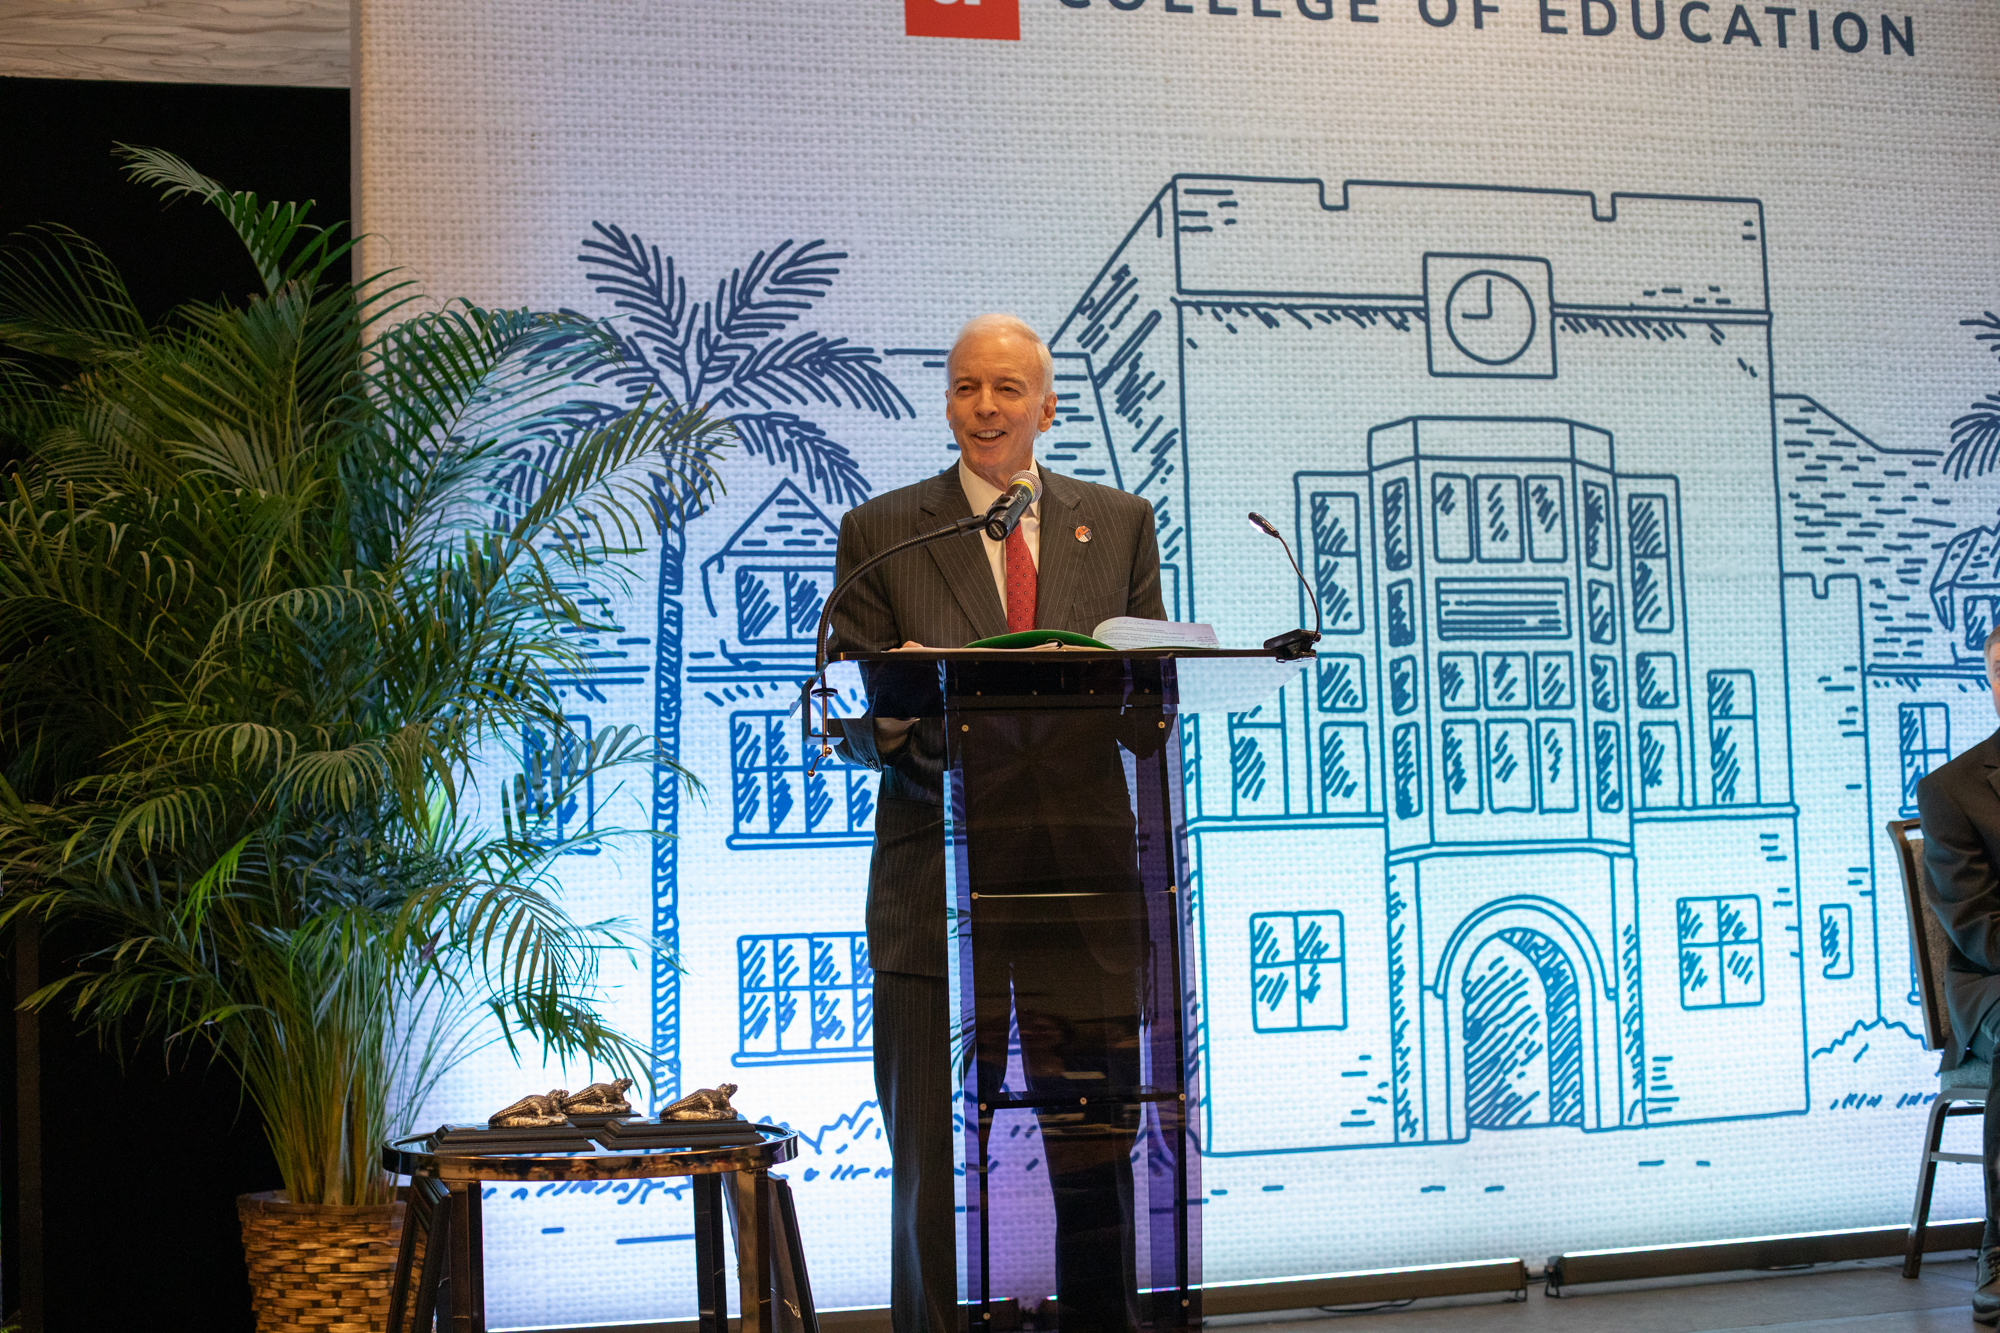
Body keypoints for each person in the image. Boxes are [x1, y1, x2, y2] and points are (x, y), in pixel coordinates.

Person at [829, 314, 1166, 1333]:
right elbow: (852, 706)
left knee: (1095, 1156)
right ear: (947, 403)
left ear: (1044, 407)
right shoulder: (887, 532)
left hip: (1084, 893)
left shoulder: (1116, 523)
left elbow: (1147, 709)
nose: (985, 407)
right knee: (929, 1168)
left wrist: (1133, 690)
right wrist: (936, 717)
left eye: (1006, 389)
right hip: (935, 890)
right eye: (967, 388)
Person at [1917, 621, 2000, 1324]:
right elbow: (1979, 927)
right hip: (1993, 986)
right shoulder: (1952, 790)